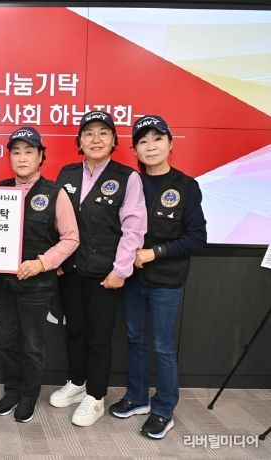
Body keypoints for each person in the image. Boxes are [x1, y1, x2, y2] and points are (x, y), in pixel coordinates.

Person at [108, 115, 207, 439]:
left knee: (162, 346)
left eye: (157, 139)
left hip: (166, 280)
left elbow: (197, 238)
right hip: (133, 279)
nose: (150, 146)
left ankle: (164, 408)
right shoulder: (131, 182)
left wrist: (156, 252)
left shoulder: (185, 186)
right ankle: (137, 397)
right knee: (134, 339)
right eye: (143, 141)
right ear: (135, 148)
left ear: (170, 143)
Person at [49, 111, 147, 427]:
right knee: (74, 330)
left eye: (103, 133)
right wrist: (57, 261)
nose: (95, 139)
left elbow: (133, 228)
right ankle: (77, 382)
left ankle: (95, 396)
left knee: (99, 337)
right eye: (89, 133)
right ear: (79, 141)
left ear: (114, 141)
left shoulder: (127, 177)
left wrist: (121, 270)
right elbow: (55, 221)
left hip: (106, 273)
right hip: (71, 270)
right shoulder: (66, 174)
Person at [0, 127, 79, 422]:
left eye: (29, 152)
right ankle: (12, 390)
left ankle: (28, 395)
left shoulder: (55, 193)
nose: (22, 158)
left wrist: (42, 263)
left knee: (33, 344)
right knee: (6, 340)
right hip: (2, 283)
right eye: (16, 152)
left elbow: (71, 238)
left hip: (37, 284)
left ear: (41, 156)